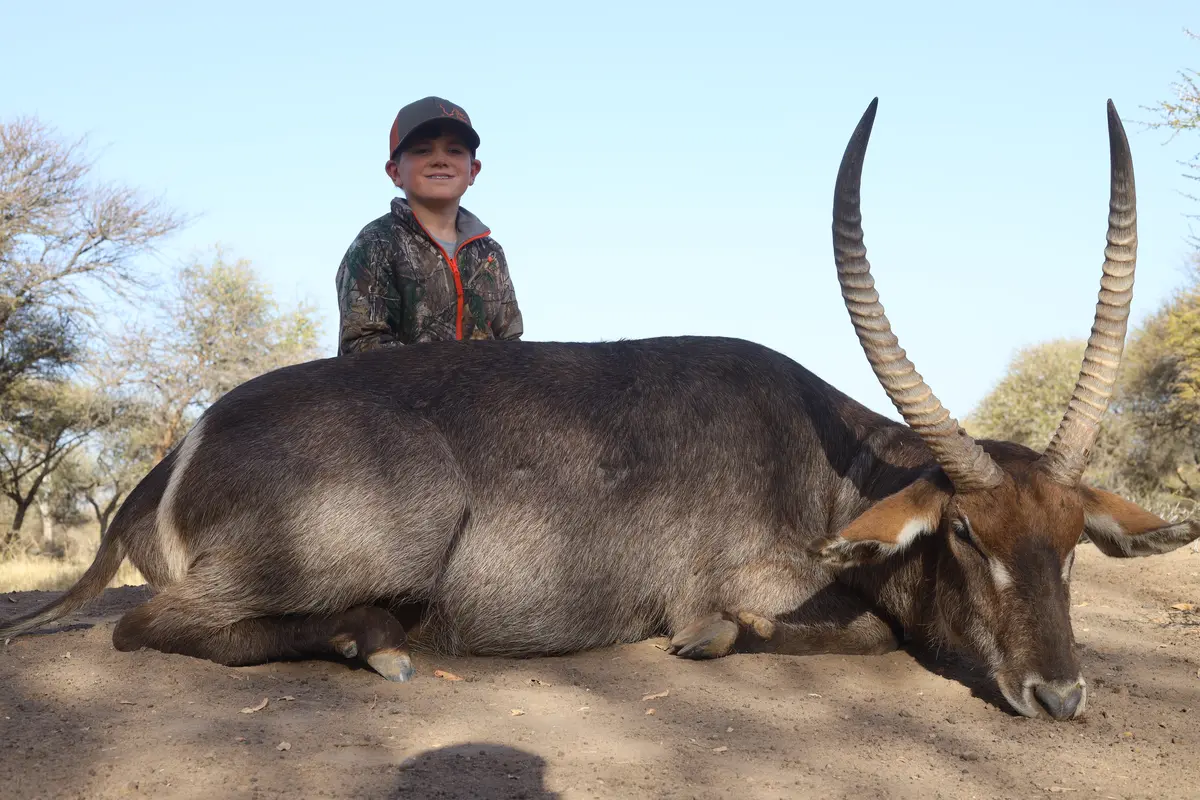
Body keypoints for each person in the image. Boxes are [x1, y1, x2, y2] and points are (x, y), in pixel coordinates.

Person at [335, 96, 523, 354]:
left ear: (473, 171)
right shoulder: (376, 243)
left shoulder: (490, 254)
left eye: (454, 151)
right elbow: (363, 346)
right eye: (422, 150)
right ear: (395, 172)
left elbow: (511, 344)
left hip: (484, 395)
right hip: (398, 394)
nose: (440, 159)